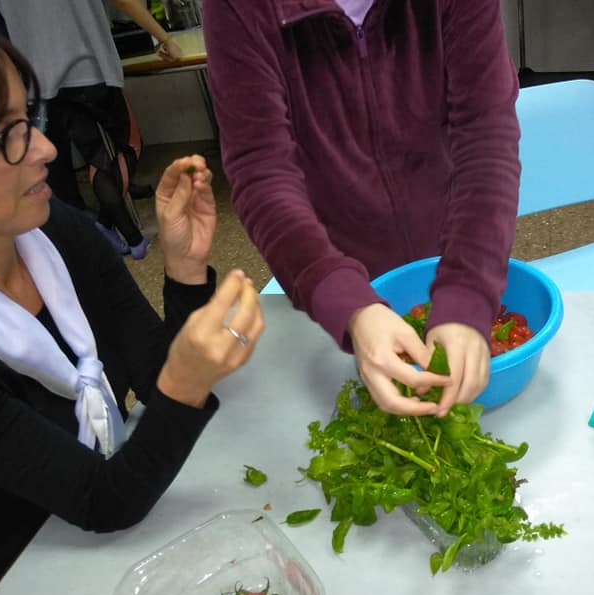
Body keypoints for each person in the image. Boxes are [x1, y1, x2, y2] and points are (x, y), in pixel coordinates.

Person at [0, 4, 264, 595]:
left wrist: (185, 271)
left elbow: (154, 374)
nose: (46, 148)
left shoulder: (55, 230)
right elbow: (102, 499)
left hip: (123, 515)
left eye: (29, 117)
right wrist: (186, 380)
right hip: (22, 584)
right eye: (1, 136)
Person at [202, 0, 521, 417]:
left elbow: (487, 137)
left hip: (454, 247)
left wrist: (467, 290)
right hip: (328, 269)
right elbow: (261, 171)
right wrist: (348, 304)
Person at [0, 0, 185, 260]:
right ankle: (125, 234)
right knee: (125, 150)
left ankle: (119, 233)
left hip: (39, 78)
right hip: (88, 67)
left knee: (89, 157)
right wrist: (164, 38)